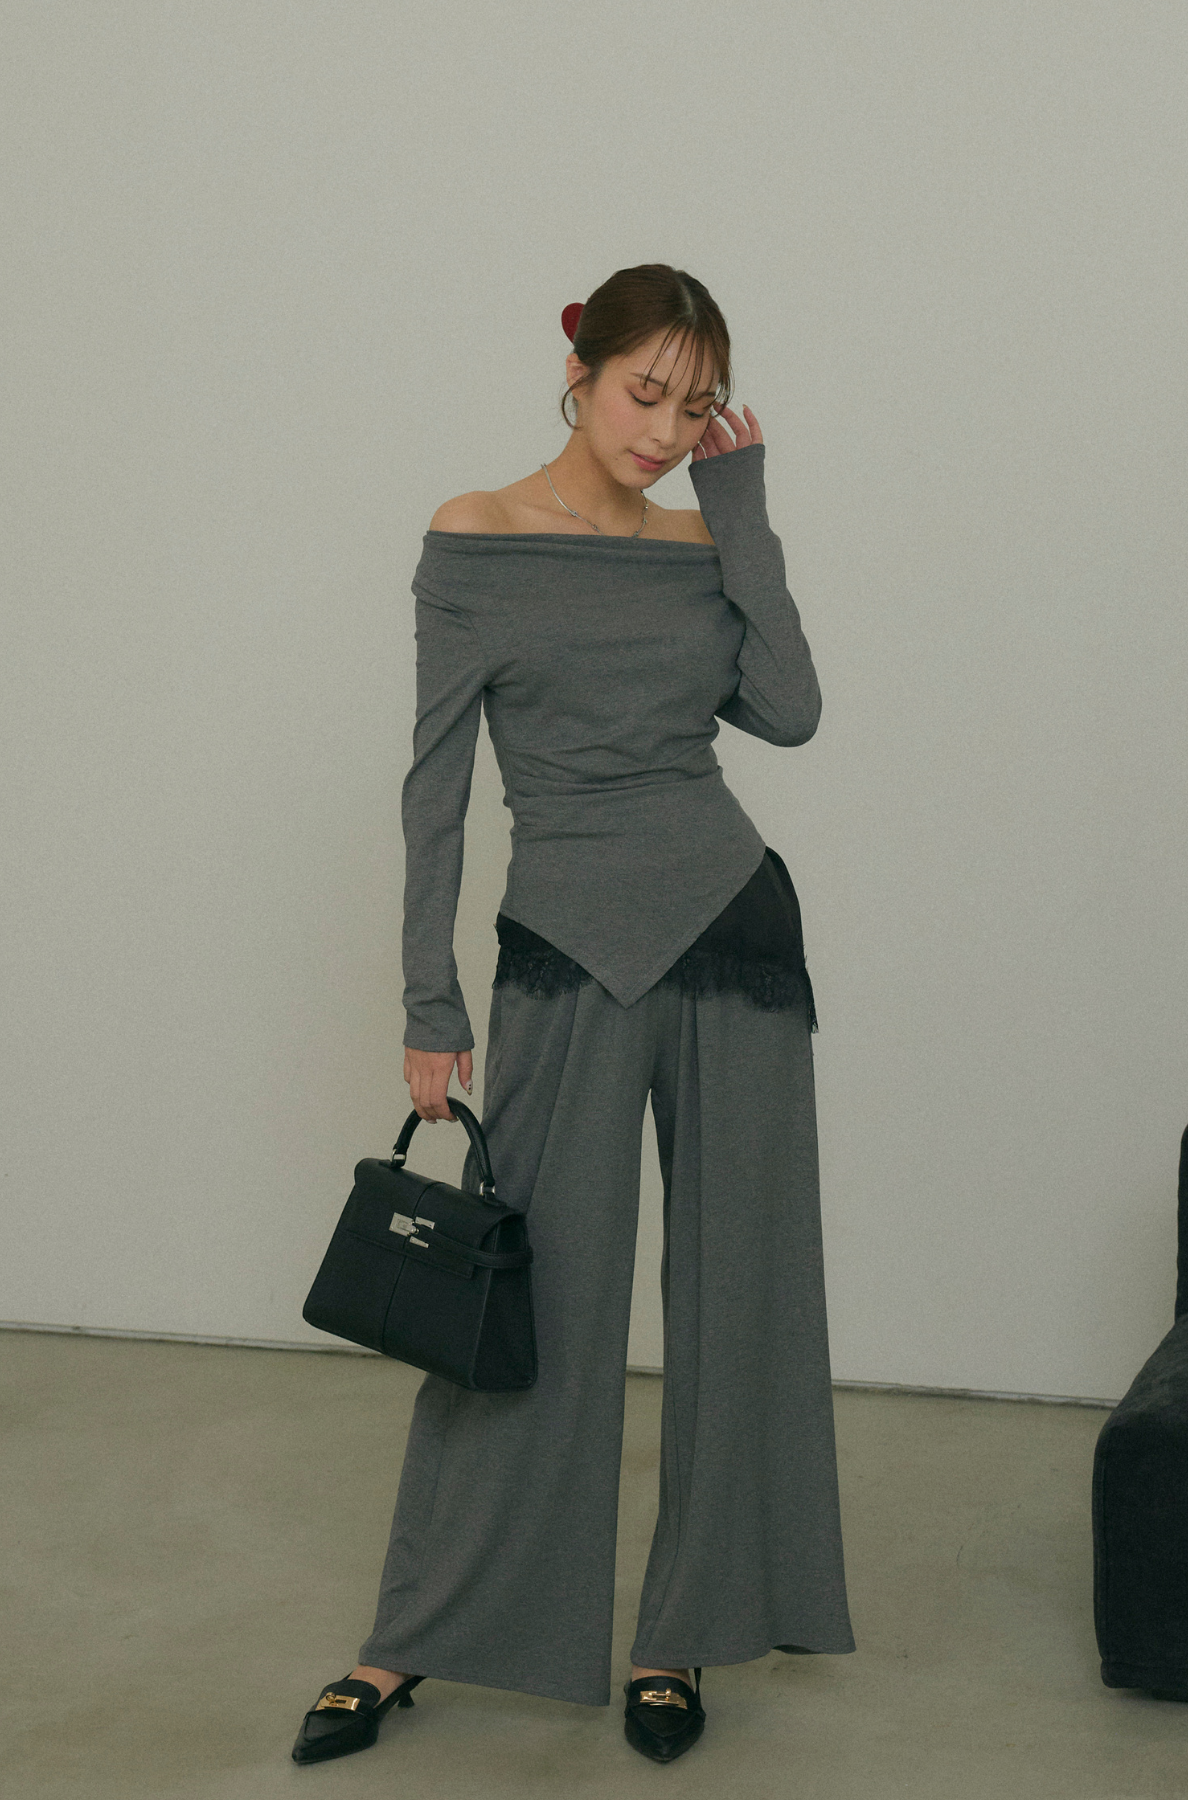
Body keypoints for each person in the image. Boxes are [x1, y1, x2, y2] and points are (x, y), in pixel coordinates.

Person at [292, 262, 855, 1767]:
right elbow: (435, 788)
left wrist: (743, 507)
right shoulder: (474, 538)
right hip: (565, 948)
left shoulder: (701, 540)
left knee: (740, 1298)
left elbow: (792, 711)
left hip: (736, 934)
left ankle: (681, 1636)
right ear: (583, 375)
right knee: (532, 1309)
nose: (664, 431)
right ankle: (414, 1635)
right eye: (643, 394)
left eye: (694, 405)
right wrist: (429, 999)